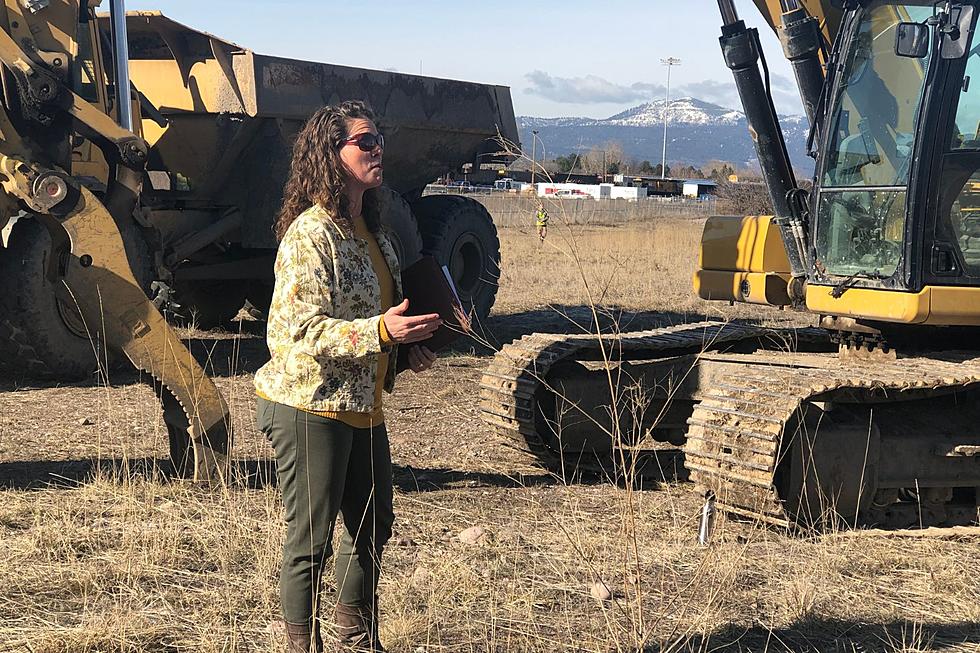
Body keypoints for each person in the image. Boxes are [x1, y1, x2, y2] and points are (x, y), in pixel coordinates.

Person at [254, 100, 441, 653]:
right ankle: (299, 645)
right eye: (365, 142)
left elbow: (379, 312)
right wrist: (380, 334)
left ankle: (357, 641)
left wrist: (405, 349)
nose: (377, 149)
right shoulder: (311, 235)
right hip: (308, 403)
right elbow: (297, 331)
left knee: (372, 528)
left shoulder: (373, 231)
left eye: (379, 139)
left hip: (363, 403)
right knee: (310, 540)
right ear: (331, 156)